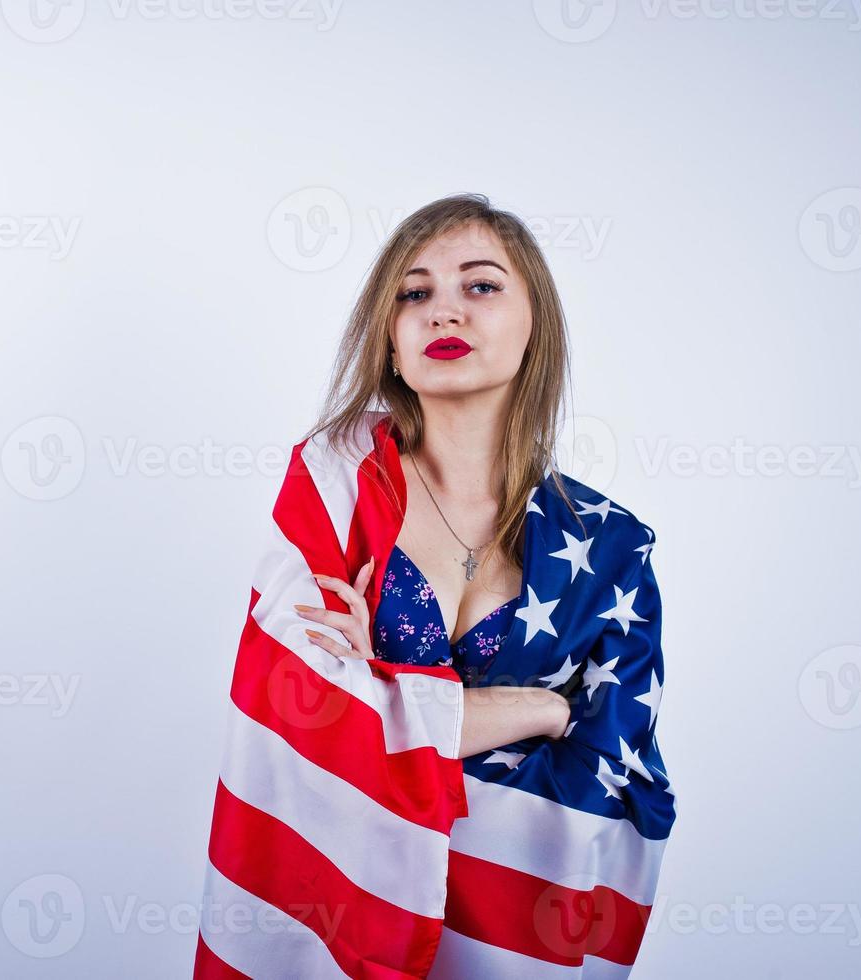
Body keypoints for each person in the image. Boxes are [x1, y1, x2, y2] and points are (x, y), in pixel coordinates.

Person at [196, 193, 675, 978]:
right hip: (337, 926)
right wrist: (543, 708)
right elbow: (301, 710)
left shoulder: (611, 546)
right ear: (387, 339)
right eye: (413, 294)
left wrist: (381, 690)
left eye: (480, 286)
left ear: (536, 327)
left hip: (505, 938)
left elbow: (619, 781)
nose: (442, 313)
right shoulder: (333, 483)